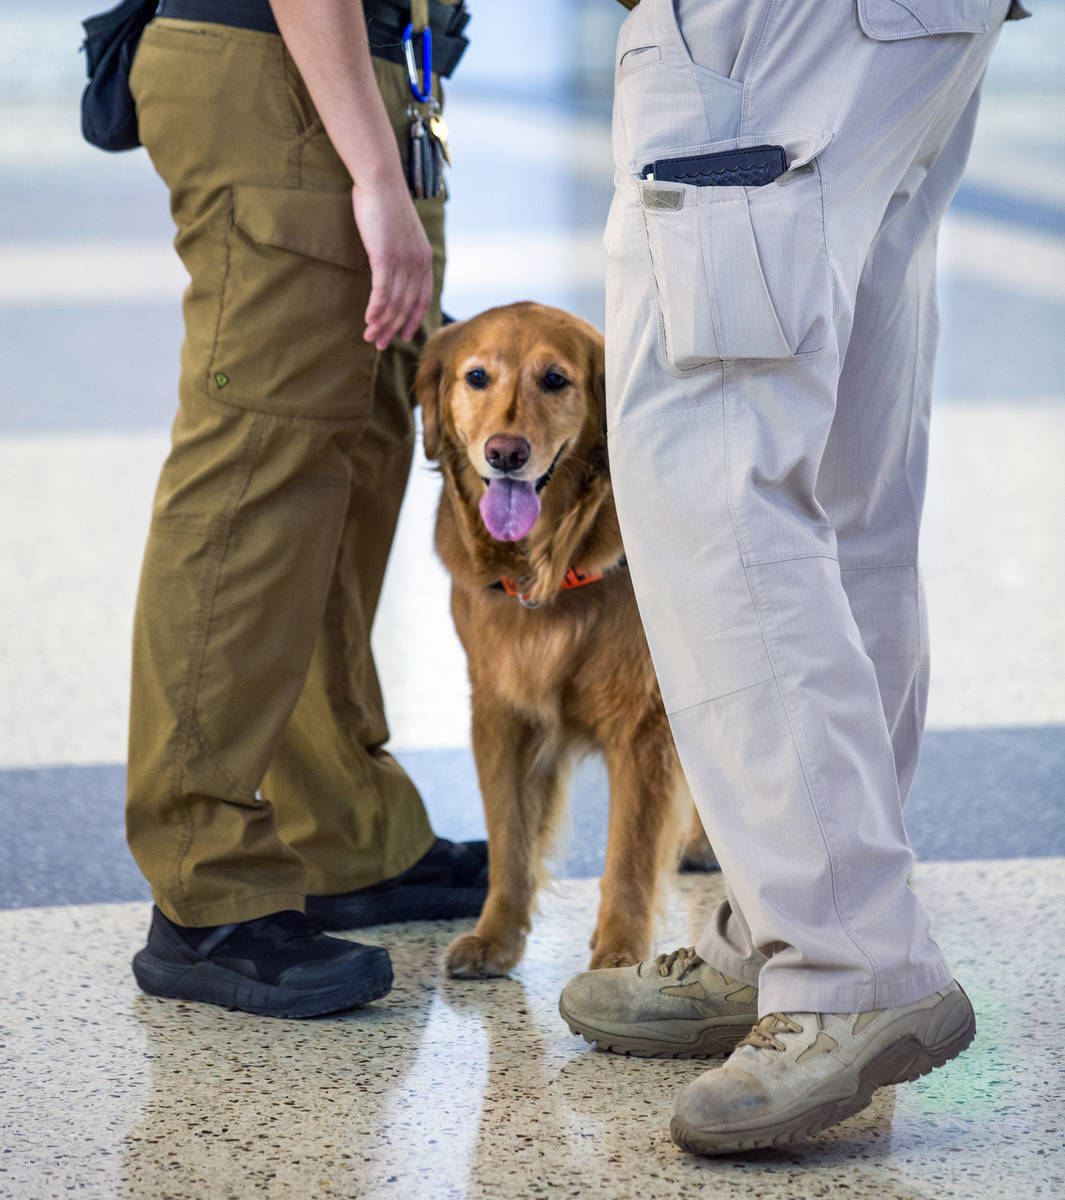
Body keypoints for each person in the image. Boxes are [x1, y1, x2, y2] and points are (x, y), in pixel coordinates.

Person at [560, 0, 1028, 1155]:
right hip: (903, 30)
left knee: (715, 483)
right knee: (836, 490)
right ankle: (789, 932)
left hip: (765, 29)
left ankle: (845, 963)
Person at [124, 0, 487, 1020]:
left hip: (366, 75)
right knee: (256, 480)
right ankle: (207, 884)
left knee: (346, 464)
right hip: (290, 66)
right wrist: (372, 170)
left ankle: (339, 829)